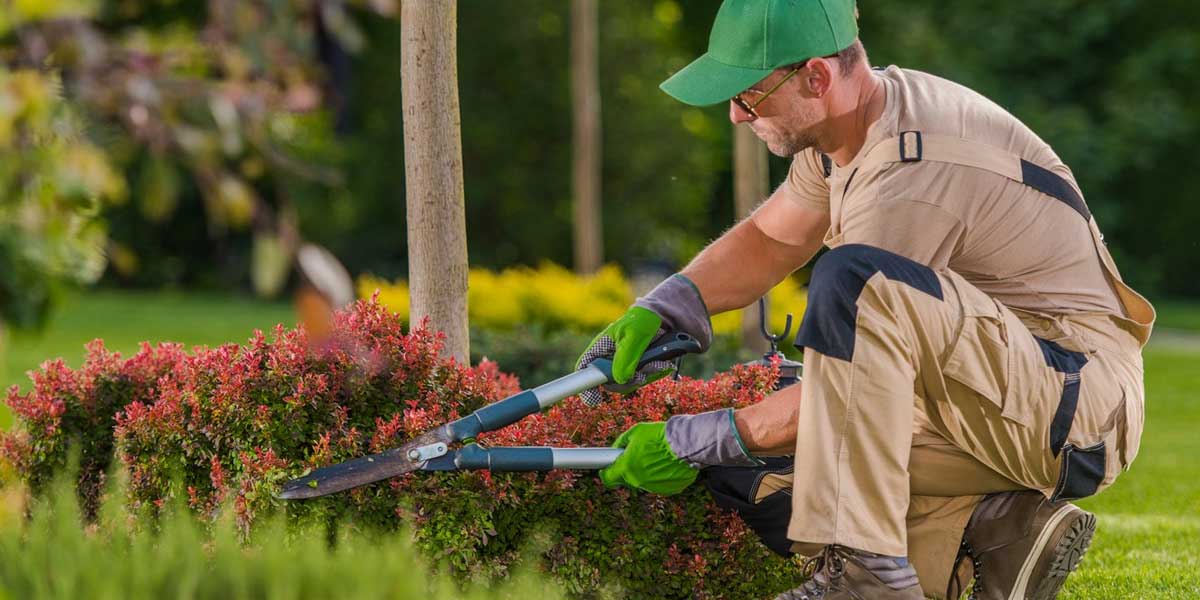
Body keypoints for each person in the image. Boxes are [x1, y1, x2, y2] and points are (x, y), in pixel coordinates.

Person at [574, 1, 1155, 598]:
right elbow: (773, 236)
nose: (736, 116)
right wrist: (672, 304)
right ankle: (1000, 533)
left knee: (840, 310)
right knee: (753, 465)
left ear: (816, 77)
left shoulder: (910, 173)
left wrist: (694, 437)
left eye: (748, 96)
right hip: (999, 393)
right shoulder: (849, 129)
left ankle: (866, 578)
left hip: (1073, 405)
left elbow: (836, 395)